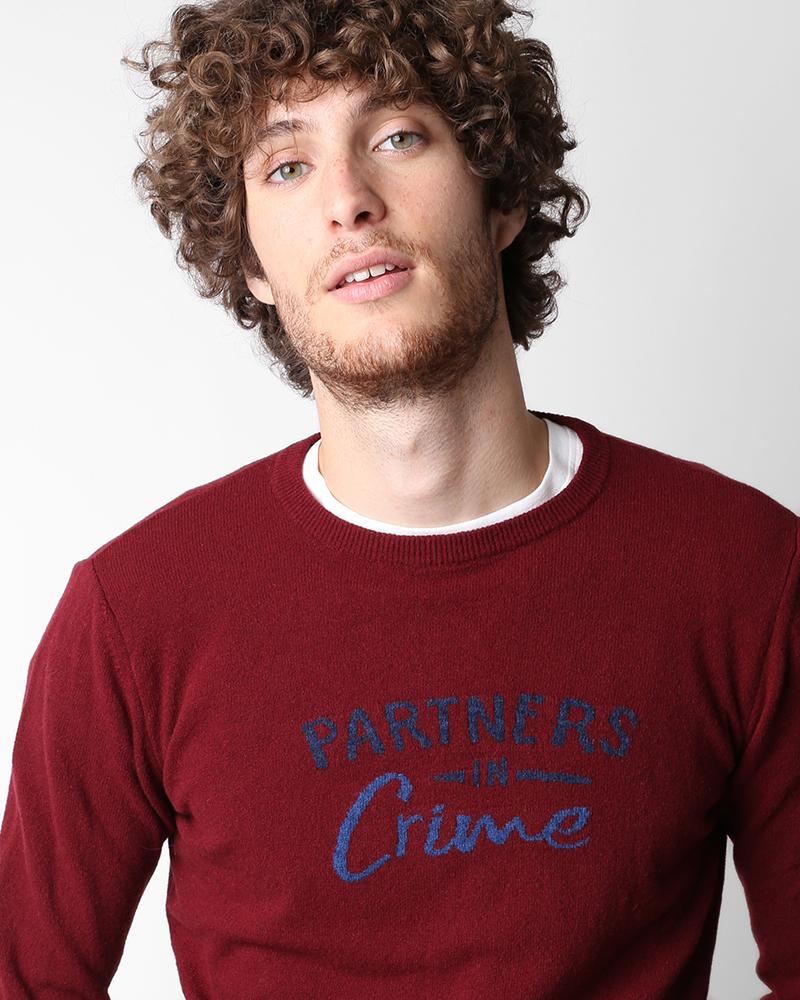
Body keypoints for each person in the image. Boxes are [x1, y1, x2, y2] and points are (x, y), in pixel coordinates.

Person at [1, 0, 797, 995]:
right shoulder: (134, 616)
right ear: (250, 261)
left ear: (502, 195)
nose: (348, 201)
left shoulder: (745, 572)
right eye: (286, 166)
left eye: (397, 137)